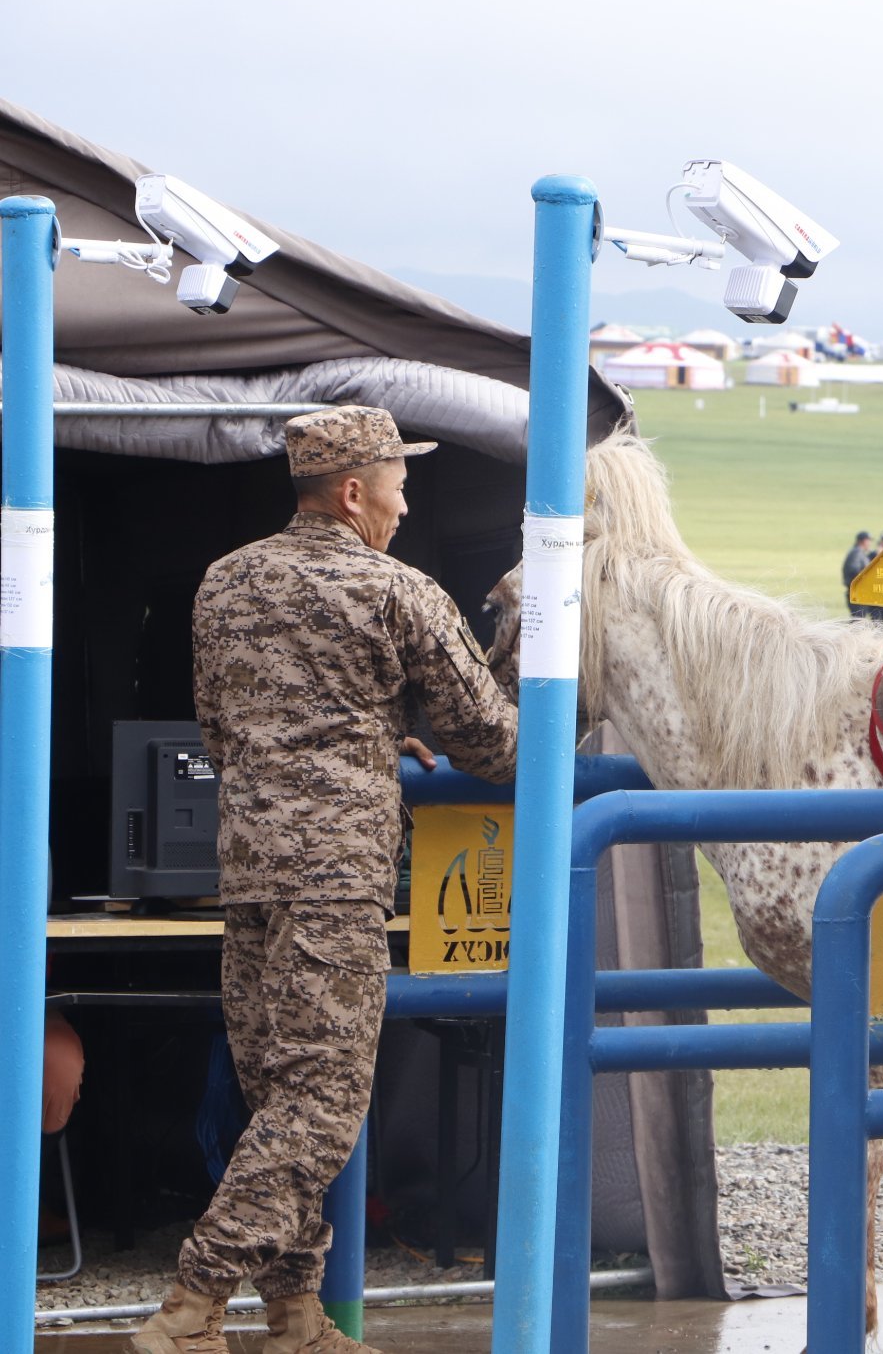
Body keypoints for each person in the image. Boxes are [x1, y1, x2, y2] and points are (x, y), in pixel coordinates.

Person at [133, 407, 521, 1354]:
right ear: (352, 492)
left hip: (248, 877)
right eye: (397, 484)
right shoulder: (397, 589)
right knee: (321, 1105)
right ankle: (189, 1305)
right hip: (337, 880)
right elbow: (491, 741)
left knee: (280, 1098)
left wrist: (374, 729)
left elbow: (223, 728)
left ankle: (297, 1320)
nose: (405, 503)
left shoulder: (224, 581)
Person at [842, 530, 876, 616]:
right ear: (862, 541)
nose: (869, 543)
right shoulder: (857, 552)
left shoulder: (858, 552)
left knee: (859, 618)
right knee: (858, 619)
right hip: (857, 592)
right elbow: (853, 570)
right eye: (868, 540)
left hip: (859, 592)